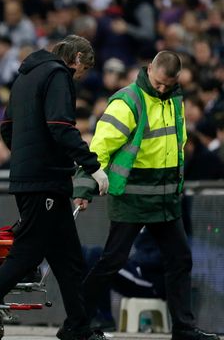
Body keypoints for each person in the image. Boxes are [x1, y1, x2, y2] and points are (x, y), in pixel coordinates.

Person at [0, 35, 109, 340]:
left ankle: (78, 327)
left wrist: (27, 157)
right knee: (25, 255)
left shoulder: (24, 78)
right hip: (45, 180)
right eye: (83, 68)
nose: (80, 75)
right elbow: (62, 127)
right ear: (76, 58)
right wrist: (92, 166)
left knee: (69, 261)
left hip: (33, 178)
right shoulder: (58, 75)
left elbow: (6, 128)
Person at [80, 51, 219, 340]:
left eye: (168, 85)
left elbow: (176, 144)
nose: (161, 89)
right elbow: (100, 146)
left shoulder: (175, 99)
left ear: (176, 79)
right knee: (110, 262)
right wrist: (84, 187)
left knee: (180, 259)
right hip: (132, 198)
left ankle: (183, 327)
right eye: (158, 84)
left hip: (165, 199)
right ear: (149, 70)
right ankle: (76, 322)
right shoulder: (128, 100)